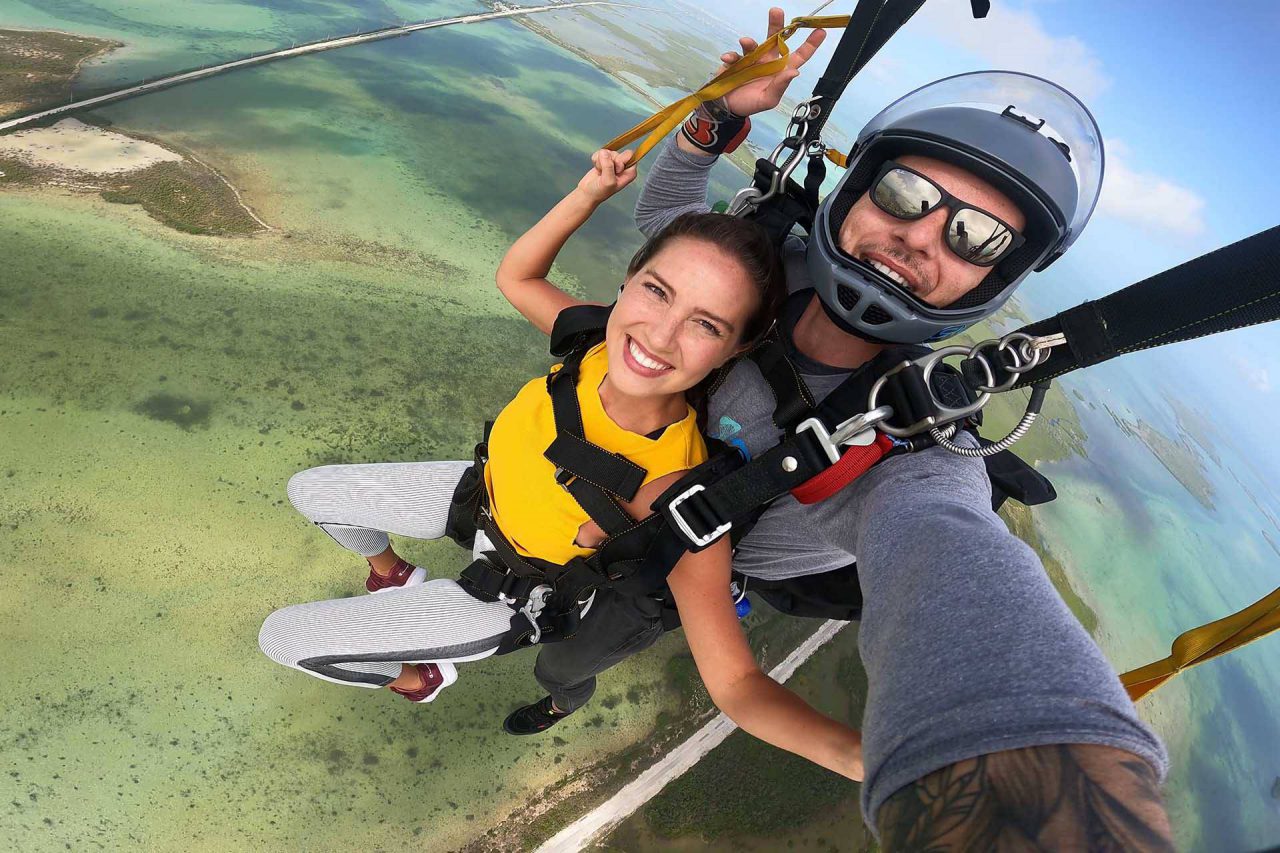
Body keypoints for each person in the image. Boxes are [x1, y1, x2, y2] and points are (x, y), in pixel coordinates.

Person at [502, 9, 1177, 847]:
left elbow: (948, 547)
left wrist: (997, 776)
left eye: (978, 236)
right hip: (600, 470)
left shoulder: (914, 448)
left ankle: (564, 696)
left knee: (569, 653)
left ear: (995, 279)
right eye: (906, 193)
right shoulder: (765, 260)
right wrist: (717, 118)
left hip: (682, 568)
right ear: (857, 188)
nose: (918, 234)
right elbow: (669, 218)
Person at [258, 146, 867, 780]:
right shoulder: (596, 344)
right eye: (656, 292)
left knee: (283, 638)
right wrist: (588, 195)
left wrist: (868, 759)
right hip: (481, 495)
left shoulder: (673, 486)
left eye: (705, 325)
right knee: (309, 490)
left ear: (736, 350)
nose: (659, 336)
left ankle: (421, 674)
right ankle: (392, 574)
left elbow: (738, 684)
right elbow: (516, 277)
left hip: (512, 587)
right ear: (628, 282)